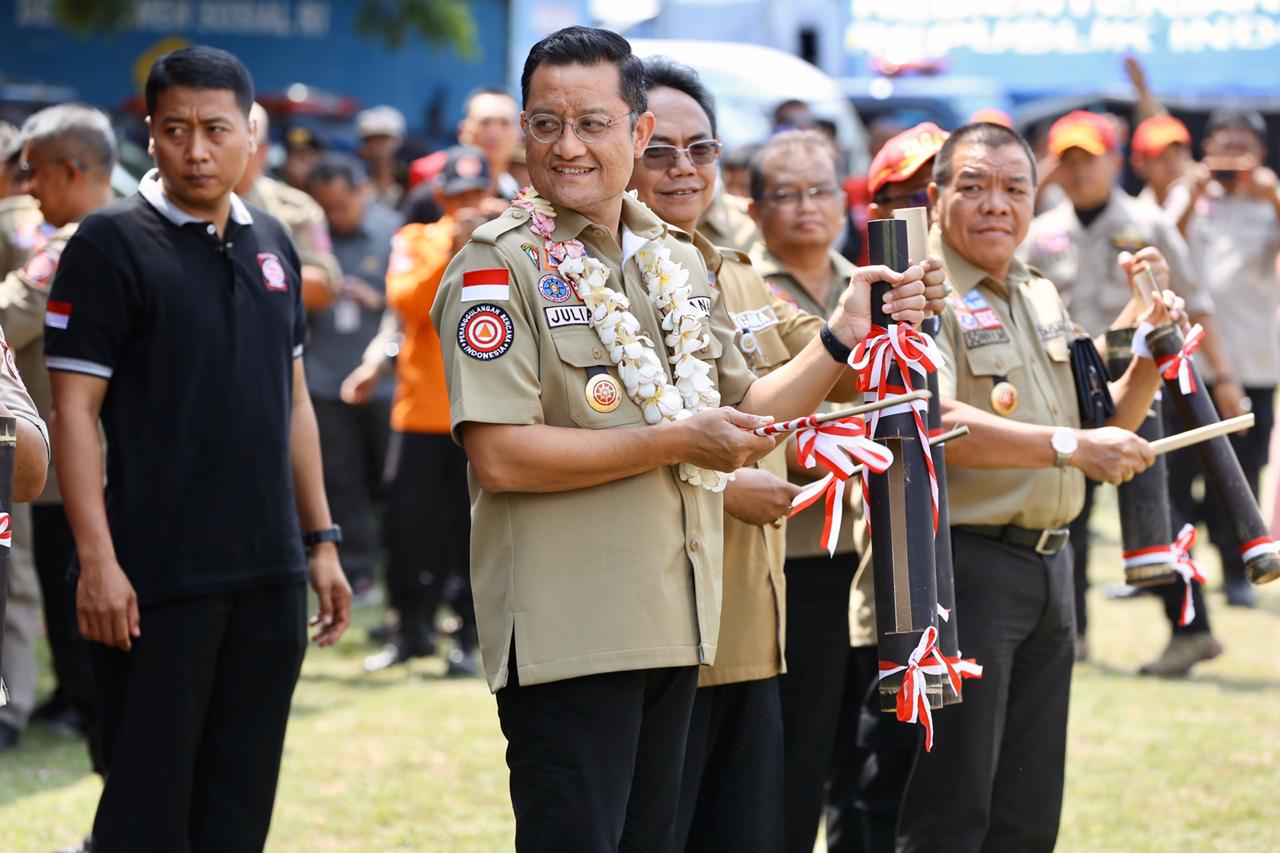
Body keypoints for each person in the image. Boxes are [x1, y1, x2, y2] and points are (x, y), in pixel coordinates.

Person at [429, 26, 931, 851]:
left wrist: (842, 335)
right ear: (522, 131)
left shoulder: (675, 259)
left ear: (637, 132)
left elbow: (750, 406)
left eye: (592, 123)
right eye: (546, 123)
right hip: (573, 637)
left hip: (679, 630)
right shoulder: (497, 265)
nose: (568, 146)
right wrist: (673, 440)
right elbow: (502, 453)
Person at [625, 56, 945, 853]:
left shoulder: (731, 279)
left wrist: (889, 317)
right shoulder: (593, 274)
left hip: (769, 591)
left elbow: (814, 382)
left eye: (699, 150)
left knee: (792, 795)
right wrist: (727, 483)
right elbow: (595, 443)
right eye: (659, 150)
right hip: (676, 604)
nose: (681, 168)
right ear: (755, 202)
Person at [44, 46, 351, 850]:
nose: (197, 149)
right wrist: (98, 561)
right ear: (150, 133)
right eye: (176, 129)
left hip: (268, 574)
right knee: (146, 811)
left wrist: (320, 540)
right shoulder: (109, 243)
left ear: (252, 133)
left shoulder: (275, 244)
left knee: (239, 809)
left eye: (217, 129)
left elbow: (293, 405)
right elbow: (73, 412)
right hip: (155, 578)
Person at [897, 121, 1179, 851]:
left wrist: (1148, 347)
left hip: (1049, 567)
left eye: (1015, 188)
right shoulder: (919, 290)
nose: (997, 204)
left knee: (1027, 810)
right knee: (954, 808)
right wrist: (1070, 446)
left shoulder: (1035, 289)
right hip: (966, 571)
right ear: (935, 199)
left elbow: (1102, 415)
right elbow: (935, 420)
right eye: (974, 186)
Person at [1024, 109, 1234, 669]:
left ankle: (1193, 630)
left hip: (1140, 386)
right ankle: (1074, 636)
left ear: (1114, 161)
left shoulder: (1149, 224)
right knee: (1066, 514)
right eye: (1067, 161)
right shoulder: (1041, 233)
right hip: (1065, 388)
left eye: (1088, 159)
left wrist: (1224, 379)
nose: (1078, 171)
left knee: (1154, 514)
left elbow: (1197, 303)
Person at [823, 121, 951, 853]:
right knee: (874, 787)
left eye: (935, 187)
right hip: (895, 591)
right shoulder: (869, 299)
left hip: (979, 585)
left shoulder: (1003, 280)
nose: (924, 207)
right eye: (906, 196)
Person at [745, 128, 865, 853]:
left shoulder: (874, 283)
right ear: (754, 206)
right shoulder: (734, 286)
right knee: (793, 758)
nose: (805, 208)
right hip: (790, 552)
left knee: (869, 755)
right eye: (783, 194)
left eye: (820, 190)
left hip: (874, 550)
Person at [0, 105, 118, 757]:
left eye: (35, 173)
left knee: (74, 583)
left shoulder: (80, 241)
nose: (27, 188)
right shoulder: (121, 229)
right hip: (66, 452)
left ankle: (87, 702)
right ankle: (74, 697)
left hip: (75, 456)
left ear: (73, 170)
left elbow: (11, 311)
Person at [352, 146, 492, 676]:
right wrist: (450, 250)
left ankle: (468, 638)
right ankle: (410, 631)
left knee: (473, 533)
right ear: (441, 198)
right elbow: (408, 302)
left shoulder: (507, 243)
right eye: (459, 196)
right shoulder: (415, 240)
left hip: (482, 414)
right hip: (419, 414)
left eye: (478, 195)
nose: (468, 205)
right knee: (408, 531)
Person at [1168, 107, 1280, 611]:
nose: (1232, 159)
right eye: (1223, 147)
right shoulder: (1189, 194)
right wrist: (1189, 200)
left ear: (1260, 154)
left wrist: (1272, 196)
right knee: (1174, 469)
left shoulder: (1268, 200)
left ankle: (1239, 571)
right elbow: (1159, 245)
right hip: (1184, 360)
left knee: (1243, 471)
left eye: (1243, 149)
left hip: (1251, 361)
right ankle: (1169, 567)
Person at [304, 153, 401, 596]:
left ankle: (398, 570)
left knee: (390, 480)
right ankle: (357, 571)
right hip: (324, 378)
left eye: (342, 206)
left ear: (363, 191)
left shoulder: (393, 233)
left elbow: (415, 302)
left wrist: (375, 298)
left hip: (384, 383)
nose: (334, 217)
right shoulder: (311, 238)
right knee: (340, 479)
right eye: (325, 208)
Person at [0, 117, 60, 754]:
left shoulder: (15, 221)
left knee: (14, 570)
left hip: (19, 419)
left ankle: (9, 703)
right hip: (28, 415)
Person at [236, 103, 343, 311]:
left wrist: (246, 275)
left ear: (262, 151)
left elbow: (325, 285)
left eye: (240, 146)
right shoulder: (179, 201)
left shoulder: (296, 208)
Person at [457, 87, 523, 199]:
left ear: (520, 134)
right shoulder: (437, 194)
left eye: (504, 123)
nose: (494, 132)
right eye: (485, 122)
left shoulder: (523, 201)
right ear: (463, 131)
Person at [356, 105, 407, 209]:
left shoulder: (409, 181)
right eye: (370, 140)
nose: (377, 147)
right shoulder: (355, 182)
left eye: (383, 140)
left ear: (398, 142)